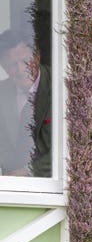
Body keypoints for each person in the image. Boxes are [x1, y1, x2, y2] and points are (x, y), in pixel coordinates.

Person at [0, 29, 51, 177]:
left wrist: (28, 171)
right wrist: (12, 173)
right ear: (4, 67)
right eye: (11, 64)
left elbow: (64, 147)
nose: (21, 69)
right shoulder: (1, 92)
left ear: (37, 56)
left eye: (25, 61)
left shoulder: (59, 87)